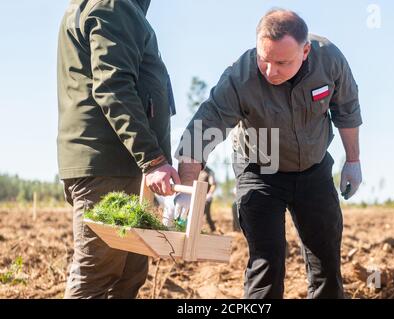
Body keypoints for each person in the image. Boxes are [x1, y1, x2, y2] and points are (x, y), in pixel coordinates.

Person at [164, 9, 363, 298]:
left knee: (326, 262)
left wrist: (353, 160)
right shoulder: (240, 77)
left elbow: (347, 109)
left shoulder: (329, 60)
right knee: (266, 261)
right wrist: (186, 187)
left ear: (305, 51)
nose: (270, 71)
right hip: (260, 171)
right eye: (264, 59)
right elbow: (203, 130)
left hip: (314, 168)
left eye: (282, 62)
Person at [57, 0, 180, 298]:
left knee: (129, 274)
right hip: (109, 165)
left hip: (122, 164)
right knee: (97, 275)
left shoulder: (119, 7)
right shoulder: (113, 5)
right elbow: (113, 86)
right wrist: (152, 159)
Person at [197, 166, 217, 232]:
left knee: (206, 216)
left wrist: (209, 195)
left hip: (206, 198)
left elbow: (213, 185)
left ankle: (213, 230)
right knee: (197, 214)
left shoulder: (209, 172)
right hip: (197, 197)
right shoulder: (197, 170)